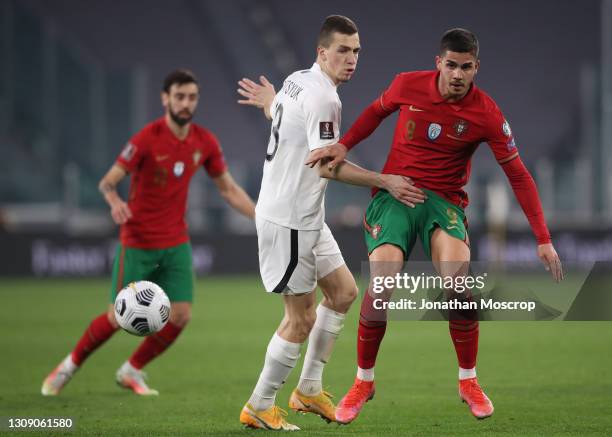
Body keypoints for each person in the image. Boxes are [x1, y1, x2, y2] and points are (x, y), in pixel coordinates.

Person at [306, 28, 564, 422]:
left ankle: (468, 380)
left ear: (476, 67)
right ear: (438, 63)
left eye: (466, 67)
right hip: (395, 197)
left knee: (459, 287)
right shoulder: (407, 85)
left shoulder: (487, 113)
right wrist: (344, 144)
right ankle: (363, 381)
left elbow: (518, 174)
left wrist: (542, 238)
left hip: (443, 203)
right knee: (382, 286)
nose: (457, 74)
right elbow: (375, 112)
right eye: (451, 65)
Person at [236, 15, 425, 430]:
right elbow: (326, 167)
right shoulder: (325, 98)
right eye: (343, 50)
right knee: (299, 319)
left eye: (357, 50)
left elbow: (287, 123)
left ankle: (307, 389)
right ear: (322, 53)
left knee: (342, 293)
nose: (352, 58)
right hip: (287, 220)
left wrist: (270, 102)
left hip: (306, 215)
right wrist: (385, 181)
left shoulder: (296, 80)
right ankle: (259, 405)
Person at [41, 69, 256, 397]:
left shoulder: (205, 141)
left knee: (181, 315)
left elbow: (228, 189)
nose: (186, 103)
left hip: (176, 242)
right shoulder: (146, 138)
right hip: (138, 242)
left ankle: (131, 370)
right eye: (179, 96)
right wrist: (114, 201)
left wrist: (262, 217)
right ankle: (67, 367)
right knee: (116, 317)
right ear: (165, 99)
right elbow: (108, 181)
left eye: (192, 97)